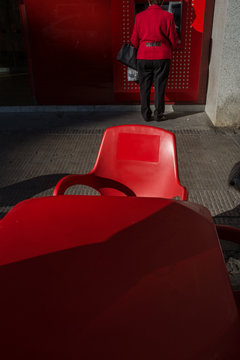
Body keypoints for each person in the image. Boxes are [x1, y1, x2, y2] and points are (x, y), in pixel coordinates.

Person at [130, 0, 179, 122]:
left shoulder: (139, 16)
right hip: (162, 56)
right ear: (162, 2)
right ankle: (159, 114)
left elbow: (134, 41)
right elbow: (173, 40)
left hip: (143, 56)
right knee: (160, 86)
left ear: (148, 1)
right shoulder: (168, 16)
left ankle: (146, 114)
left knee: (144, 87)